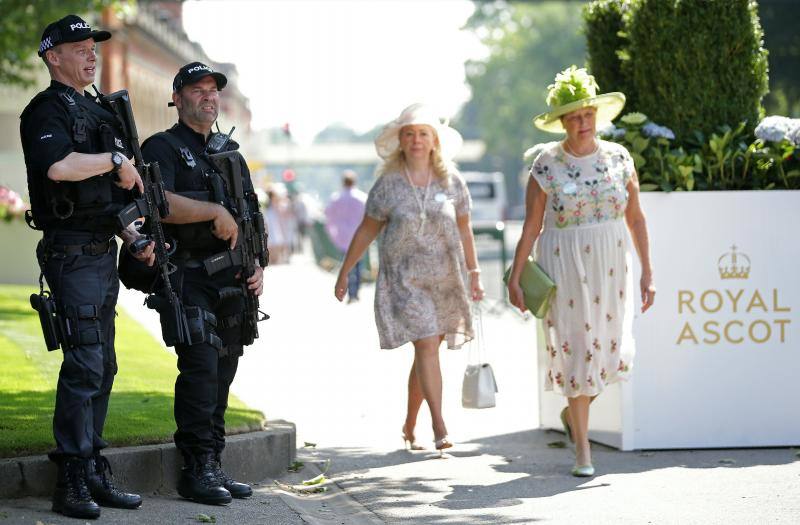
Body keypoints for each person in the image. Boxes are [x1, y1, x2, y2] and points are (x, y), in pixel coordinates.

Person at [19, 14, 147, 519]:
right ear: (53, 57)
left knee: (104, 364)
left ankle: (92, 468)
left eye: (94, 46)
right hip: (70, 252)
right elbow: (59, 167)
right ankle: (70, 478)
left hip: (101, 250)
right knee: (85, 363)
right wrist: (115, 161)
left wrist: (132, 235)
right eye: (80, 48)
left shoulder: (99, 110)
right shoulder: (45, 110)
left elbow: (107, 197)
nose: (92, 54)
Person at [507, 66, 655, 477]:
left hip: (611, 263)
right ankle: (583, 452)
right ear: (562, 122)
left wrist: (648, 271)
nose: (582, 122)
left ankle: (575, 414)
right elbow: (531, 226)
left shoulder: (619, 157)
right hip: (564, 264)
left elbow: (636, 218)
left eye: (587, 114)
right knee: (576, 348)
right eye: (573, 117)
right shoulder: (546, 164)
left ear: (597, 115)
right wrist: (516, 276)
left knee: (607, 351)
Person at [140, 62, 265, 505]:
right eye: (198, 90)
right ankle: (196, 469)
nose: (208, 97)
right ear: (177, 98)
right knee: (201, 368)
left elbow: (249, 214)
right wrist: (213, 212)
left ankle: (213, 462)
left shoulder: (229, 152)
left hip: (233, 277)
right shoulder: (162, 147)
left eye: (213, 90)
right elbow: (157, 203)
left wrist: (257, 264)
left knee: (225, 370)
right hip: (188, 275)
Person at [334, 103, 484, 452]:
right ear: (400, 141)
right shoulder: (387, 185)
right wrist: (345, 270)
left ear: (434, 141)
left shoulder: (452, 181)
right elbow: (367, 229)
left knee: (426, 350)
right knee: (427, 343)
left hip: (445, 279)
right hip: (405, 280)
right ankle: (439, 426)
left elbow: (465, 229)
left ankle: (410, 424)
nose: (417, 140)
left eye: (423, 134)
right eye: (410, 134)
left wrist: (474, 272)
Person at [325, 170, 367, 302]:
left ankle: (349, 291)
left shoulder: (336, 198)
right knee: (358, 263)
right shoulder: (362, 198)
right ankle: (355, 291)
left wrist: (333, 234)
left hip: (342, 236)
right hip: (359, 235)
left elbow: (328, 217)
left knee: (346, 264)